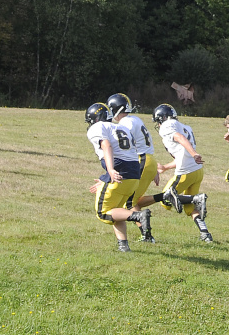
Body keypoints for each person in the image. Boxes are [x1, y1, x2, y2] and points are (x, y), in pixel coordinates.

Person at [84, 102, 151, 253]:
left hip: (120, 171)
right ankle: (123, 245)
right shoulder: (120, 127)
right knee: (117, 210)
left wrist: (111, 170)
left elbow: (106, 145)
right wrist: (105, 177)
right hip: (134, 173)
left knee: (103, 212)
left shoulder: (98, 127)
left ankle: (139, 216)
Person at [147, 104, 213, 242]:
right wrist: (165, 167)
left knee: (166, 199)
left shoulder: (167, 126)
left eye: (158, 121)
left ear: (162, 118)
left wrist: (194, 153)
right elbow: (182, 154)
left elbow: (178, 137)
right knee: (190, 208)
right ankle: (206, 234)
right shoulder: (185, 126)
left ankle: (196, 198)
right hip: (197, 172)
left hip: (186, 172)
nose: (158, 125)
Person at [106, 93, 159, 243]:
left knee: (129, 203)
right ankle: (147, 234)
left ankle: (147, 236)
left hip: (141, 159)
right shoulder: (135, 119)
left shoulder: (125, 123)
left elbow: (126, 147)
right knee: (132, 200)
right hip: (149, 160)